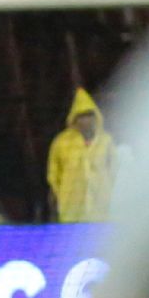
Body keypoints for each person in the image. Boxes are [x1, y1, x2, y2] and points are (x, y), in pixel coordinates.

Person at [47, 88, 115, 223]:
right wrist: (56, 193)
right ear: (74, 118)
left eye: (89, 115)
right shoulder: (62, 142)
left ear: (95, 117)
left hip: (101, 204)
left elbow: (113, 169)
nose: (86, 120)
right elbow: (54, 171)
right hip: (71, 204)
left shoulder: (105, 140)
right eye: (81, 116)